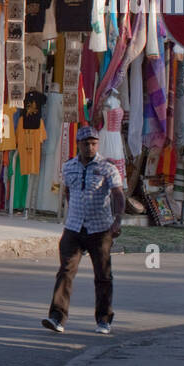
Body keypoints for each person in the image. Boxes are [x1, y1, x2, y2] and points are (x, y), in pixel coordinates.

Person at [42, 126, 125, 335]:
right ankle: (56, 317)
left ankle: (104, 320)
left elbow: (118, 195)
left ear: (97, 144)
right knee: (65, 271)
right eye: (85, 143)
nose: (89, 147)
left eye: (93, 143)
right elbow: (69, 191)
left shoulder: (107, 168)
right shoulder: (69, 167)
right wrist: (73, 211)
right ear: (78, 144)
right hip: (74, 227)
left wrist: (117, 220)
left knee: (103, 275)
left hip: (100, 228)